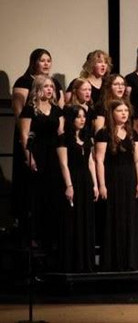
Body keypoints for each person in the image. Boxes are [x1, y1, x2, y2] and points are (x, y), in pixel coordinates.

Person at [11, 49, 60, 229]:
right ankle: (27, 228)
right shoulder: (24, 81)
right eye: (42, 60)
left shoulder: (54, 83)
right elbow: (19, 109)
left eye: (49, 60)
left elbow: (59, 110)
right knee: (30, 189)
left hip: (51, 143)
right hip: (32, 141)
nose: (46, 64)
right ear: (33, 62)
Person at [94, 100, 138, 271]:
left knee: (129, 217)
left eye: (126, 111)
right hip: (112, 178)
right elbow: (99, 160)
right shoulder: (103, 133)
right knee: (113, 217)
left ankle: (130, 260)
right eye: (119, 111)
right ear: (111, 113)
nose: (123, 113)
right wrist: (102, 184)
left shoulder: (132, 134)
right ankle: (112, 260)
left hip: (129, 179)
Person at [19, 75, 64, 253]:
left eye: (51, 87)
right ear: (38, 89)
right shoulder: (30, 110)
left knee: (52, 195)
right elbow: (24, 136)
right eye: (46, 87)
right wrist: (30, 157)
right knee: (36, 195)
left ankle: (50, 237)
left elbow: (61, 133)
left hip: (53, 154)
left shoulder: (56, 110)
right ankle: (33, 237)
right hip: (36, 153)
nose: (49, 90)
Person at [56, 105, 97, 272]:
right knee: (72, 220)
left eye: (84, 116)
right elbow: (63, 164)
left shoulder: (87, 138)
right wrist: (69, 186)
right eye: (78, 116)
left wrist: (95, 184)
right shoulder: (63, 138)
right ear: (71, 119)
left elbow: (91, 161)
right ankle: (71, 262)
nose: (82, 119)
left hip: (85, 180)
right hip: (72, 179)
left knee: (86, 219)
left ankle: (86, 262)